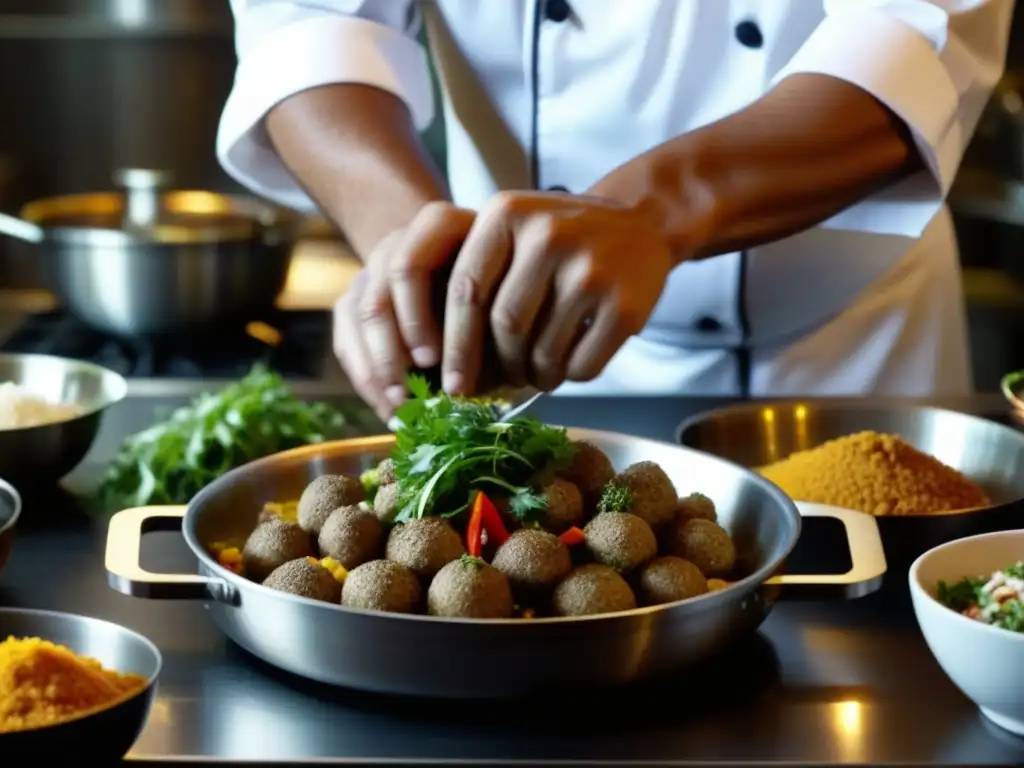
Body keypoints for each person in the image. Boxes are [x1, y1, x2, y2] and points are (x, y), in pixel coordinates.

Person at [218, 0, 1013, 420]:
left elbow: (917, 39)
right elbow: (310, 25)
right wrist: (417, 249)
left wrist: (645, 214)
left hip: (850, 354)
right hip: (517, 330)